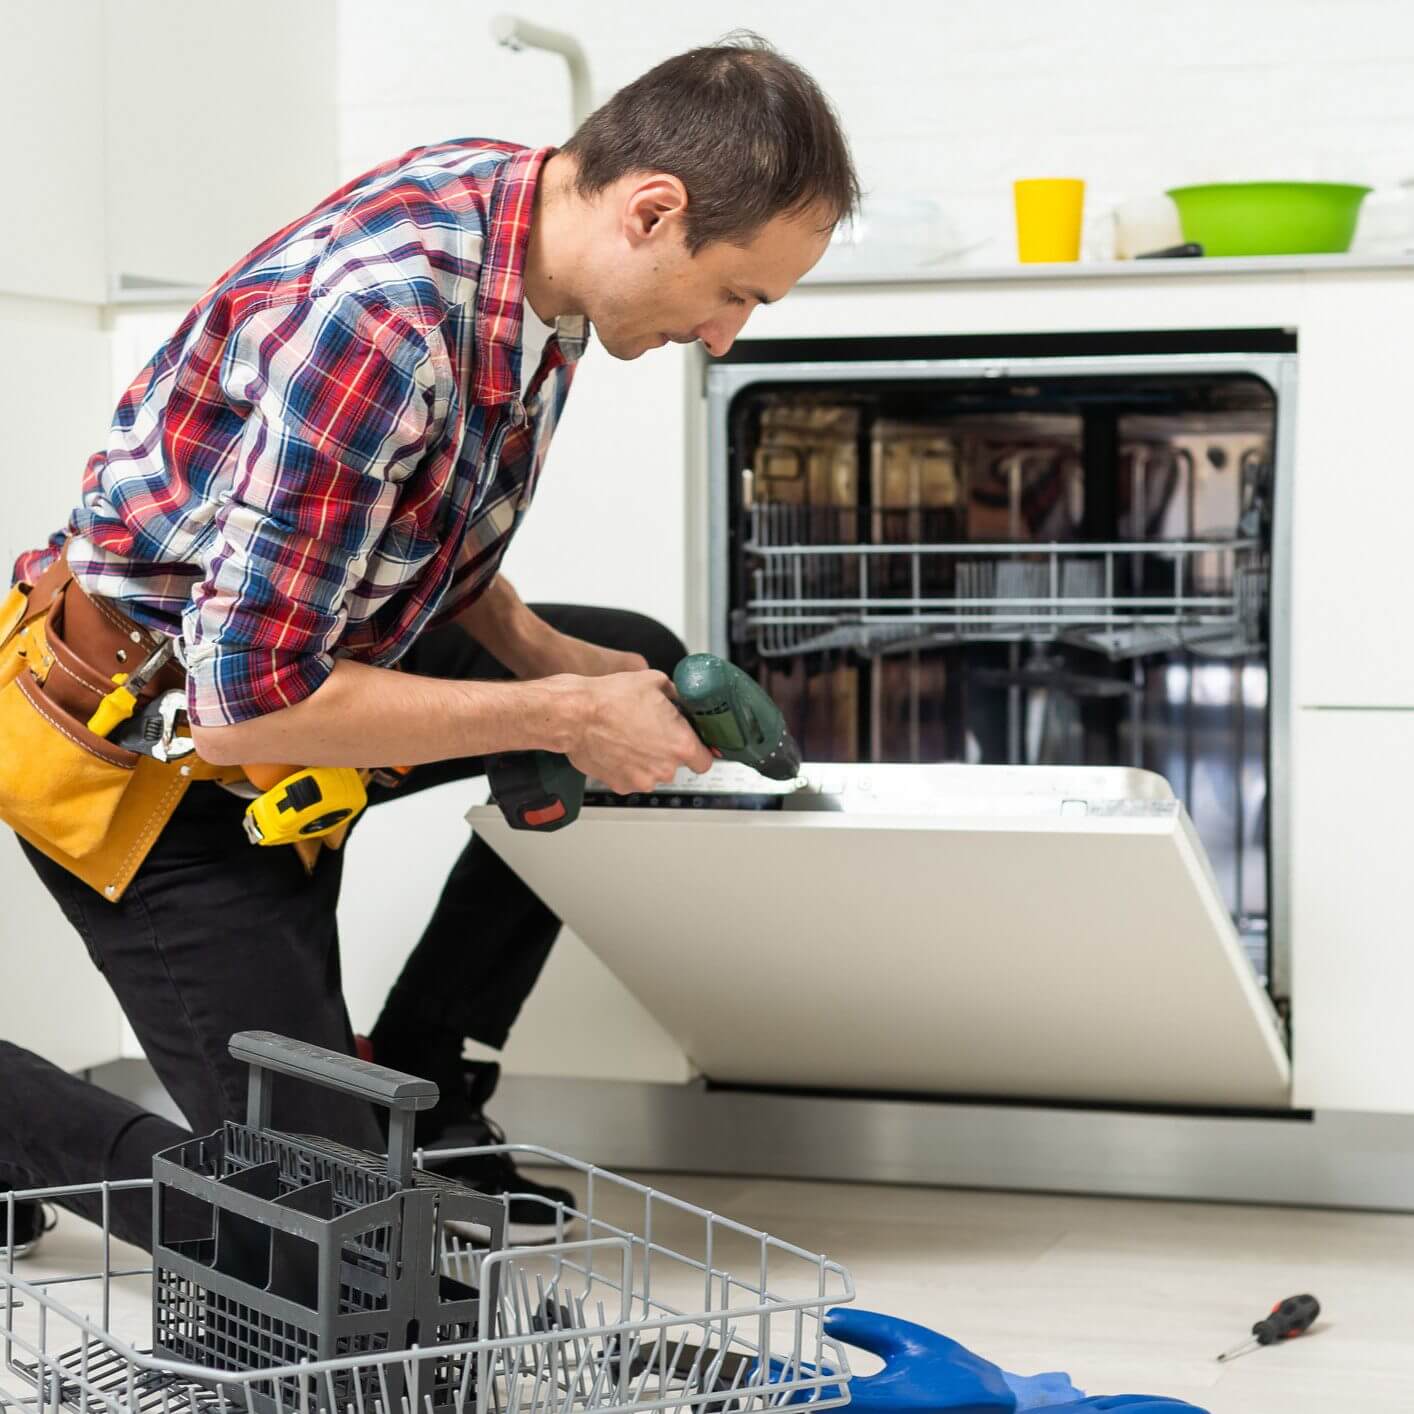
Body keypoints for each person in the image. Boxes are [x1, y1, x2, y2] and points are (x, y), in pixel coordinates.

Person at [0, 34, 859, 1253]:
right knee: (334, 1256)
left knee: (640, 665)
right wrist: (561, 717)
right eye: (736, 293)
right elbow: (249, 701)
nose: (728, 335)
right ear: (651, 212)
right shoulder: (387, 317)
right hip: (159, 754)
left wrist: (555, 658)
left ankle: (427, 1085)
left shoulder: (535, 238)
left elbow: (430, 531)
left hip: (296, 673)